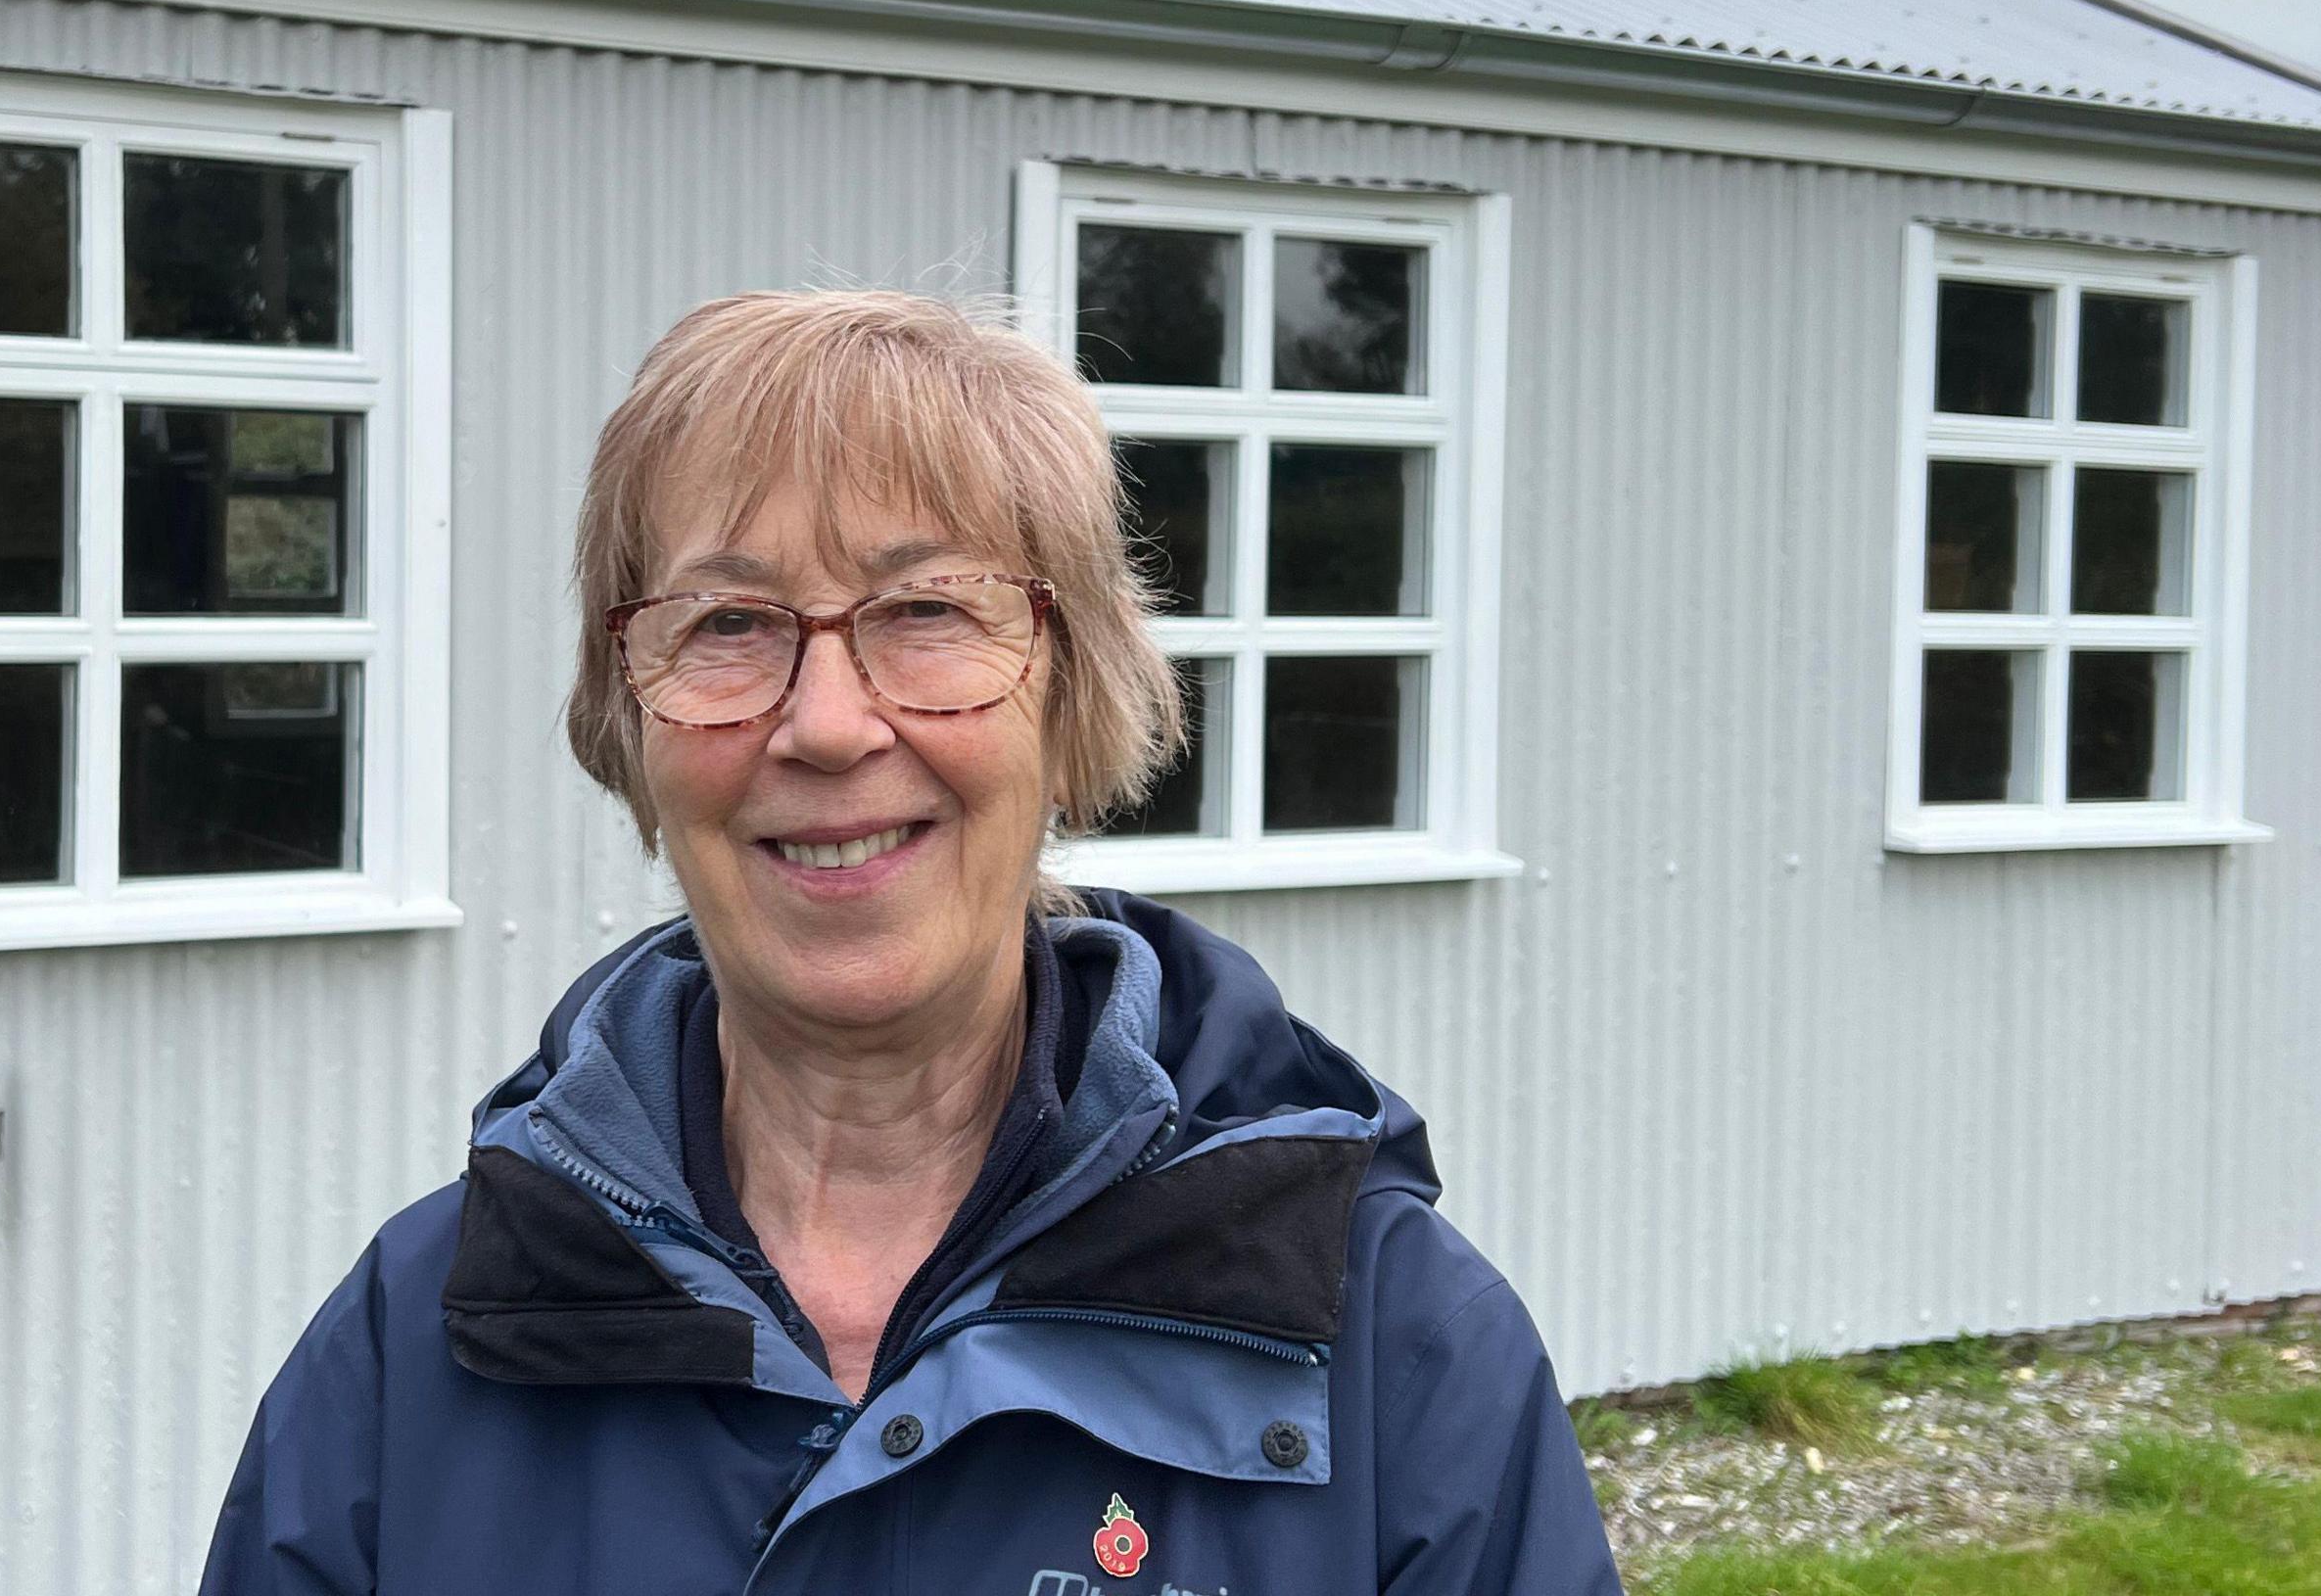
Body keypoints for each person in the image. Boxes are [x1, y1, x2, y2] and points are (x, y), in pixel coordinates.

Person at [202, 290, 1620, 1595]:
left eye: (928, 610)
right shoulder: (419, 1339)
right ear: (629, 720)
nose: (825, 724)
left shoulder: (1390, 1345)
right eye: (732, 623)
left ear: (1074, 698)